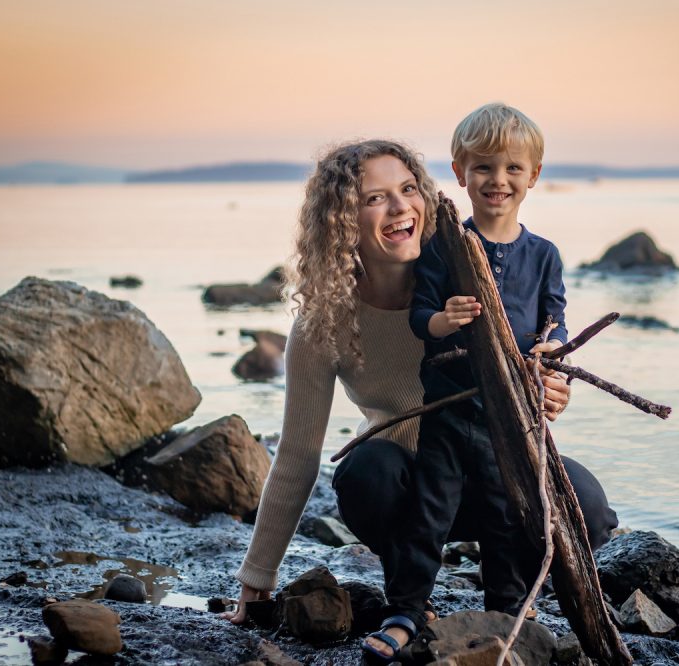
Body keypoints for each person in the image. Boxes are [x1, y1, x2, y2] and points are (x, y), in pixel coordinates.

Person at [221, 139, 617, 642]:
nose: (400, 205)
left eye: (409, 189)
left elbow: (533, 354)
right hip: (407, 490)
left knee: (588, 506)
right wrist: (257, 580)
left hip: (492, 478)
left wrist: (549, 388)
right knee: (366, 471)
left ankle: (514, 595)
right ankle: (410, 595)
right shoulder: (325, 321)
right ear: (342, 219)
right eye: (374, 197)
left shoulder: (466, 284)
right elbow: (298, 453)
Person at [362, 104, 570, 661]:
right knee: (430, 509)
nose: (496, 180)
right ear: (459, 173)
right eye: (482, 168)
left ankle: (506, 612)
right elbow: (419, 318)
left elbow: (555, 320)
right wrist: (443, 320)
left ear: (534, 175)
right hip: (449, 411)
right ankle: (407, 607)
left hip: (511, 415)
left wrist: (550, 351)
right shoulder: (444, 246)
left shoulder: (544, 255)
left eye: (511, 169)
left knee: (507, 514)